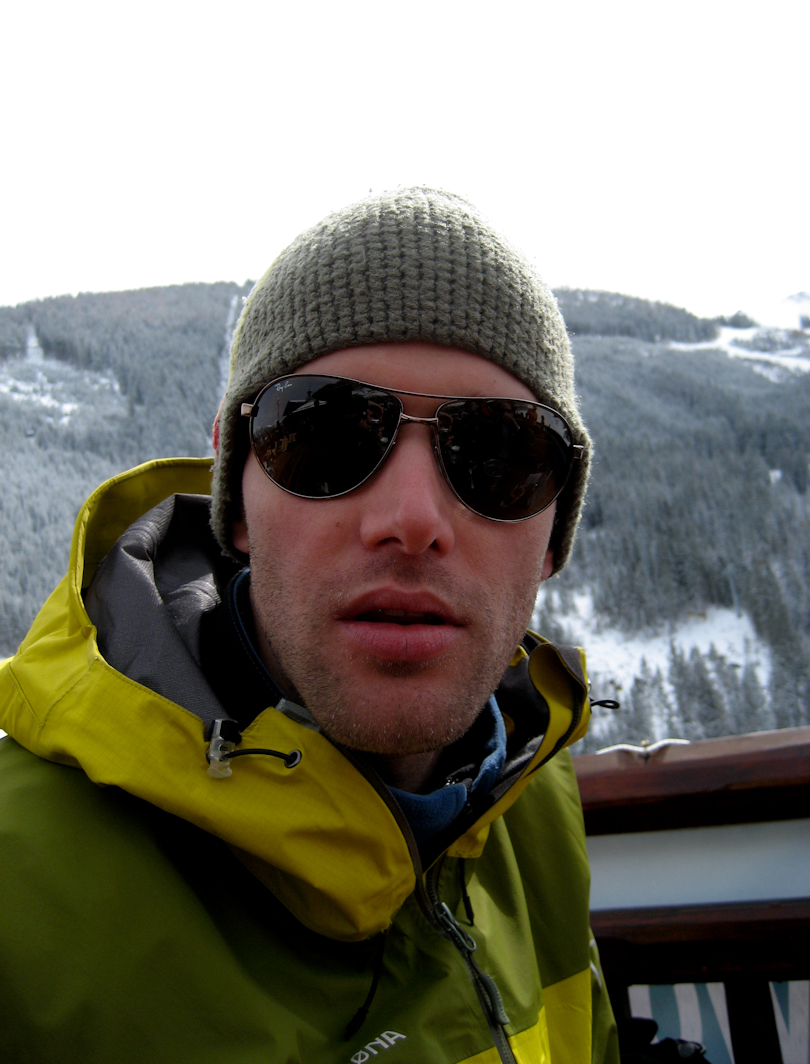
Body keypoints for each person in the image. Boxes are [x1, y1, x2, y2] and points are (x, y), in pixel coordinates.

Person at [0, 188, 619, 1064]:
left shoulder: (532, 807)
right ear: (237, 502)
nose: (412, 520)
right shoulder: (18, 896)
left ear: (553, 536)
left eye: (499, 453)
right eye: (324, 436)